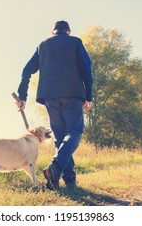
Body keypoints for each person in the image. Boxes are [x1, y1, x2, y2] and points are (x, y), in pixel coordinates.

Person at [16, 20, 93, 190]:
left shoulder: (43, 45)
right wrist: (89, 96)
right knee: (74, 131)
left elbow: (26, 71)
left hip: (50, 97)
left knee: (60, 138)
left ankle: (68, 180)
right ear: (68, 32)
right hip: (72, 95)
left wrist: (22, 96)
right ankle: (55, 167)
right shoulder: (75, 42)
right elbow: (87, 69)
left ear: (53, 33)